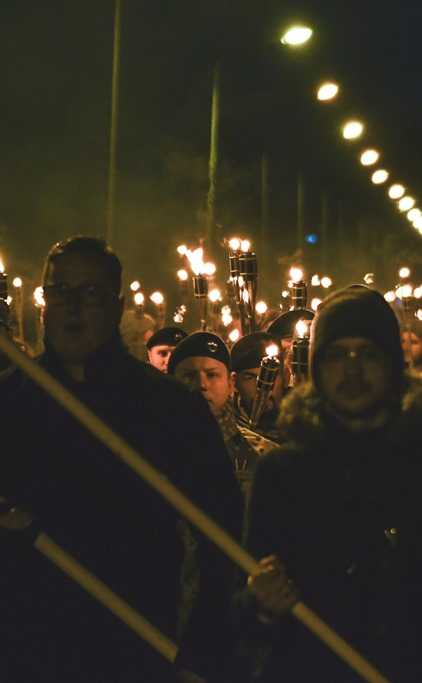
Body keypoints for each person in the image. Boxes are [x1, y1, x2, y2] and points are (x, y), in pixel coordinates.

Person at [236, 284, 422, 681]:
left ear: (393, 363)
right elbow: (243, 614)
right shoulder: (283, 474)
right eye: (336, 355)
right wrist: (260, 605)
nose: (352, 369)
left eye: (368, 353)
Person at [0, 236, 243, 682]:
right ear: (44, 304)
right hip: (26, 653)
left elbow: (222, 544)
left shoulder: (172, 410)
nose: (73, 307)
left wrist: (203, 655)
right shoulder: (9, 405)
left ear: (118, 307)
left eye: (91, 293)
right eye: (61, 292)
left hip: (139, 654)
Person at [169, 331, 276, 491]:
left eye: (212, 375)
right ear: (170, 383)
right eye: (189, 375)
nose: (201, 384)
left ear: (231, 383)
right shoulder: (153, 448)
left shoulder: (265, 456)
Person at [231, 331, 290, 444]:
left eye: (272, 376)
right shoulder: (225, 432)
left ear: (286, 378)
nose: (262, 387)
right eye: (250, 377)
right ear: (234, 382)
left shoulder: (306, 430)